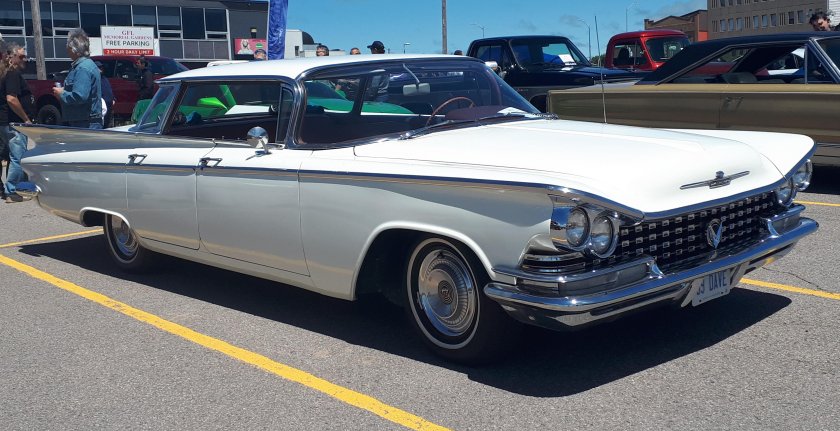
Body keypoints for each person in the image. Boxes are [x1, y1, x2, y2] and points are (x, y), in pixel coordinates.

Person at [0, 43, 34, 202]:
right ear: (11, 57)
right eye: (21, 56)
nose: (24, 59)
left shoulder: (5, 73)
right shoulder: (12, 74)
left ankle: (16, 187)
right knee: (17, 157)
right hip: (12, 123)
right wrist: (25, 118)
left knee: (12, 155)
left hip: (5, 123)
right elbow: (11, 99)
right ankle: (12, 191)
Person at [53, 29, 102, 129]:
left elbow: (80, 96)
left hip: (84, 123)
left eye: (68, 46)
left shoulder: (82, 68)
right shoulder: (85, 66)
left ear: (73, 49)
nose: (66, 49)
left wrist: (62, 94)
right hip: (85, 121)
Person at [96, 61, 115, 128]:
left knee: (107, 123)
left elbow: (109, 89)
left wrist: (113, 98)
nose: (101, 69)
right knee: (102, 124)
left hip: (109, 105)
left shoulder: (104, 78)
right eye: (99, 67)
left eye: (101, 67)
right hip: (102, 106)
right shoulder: (95, 79)